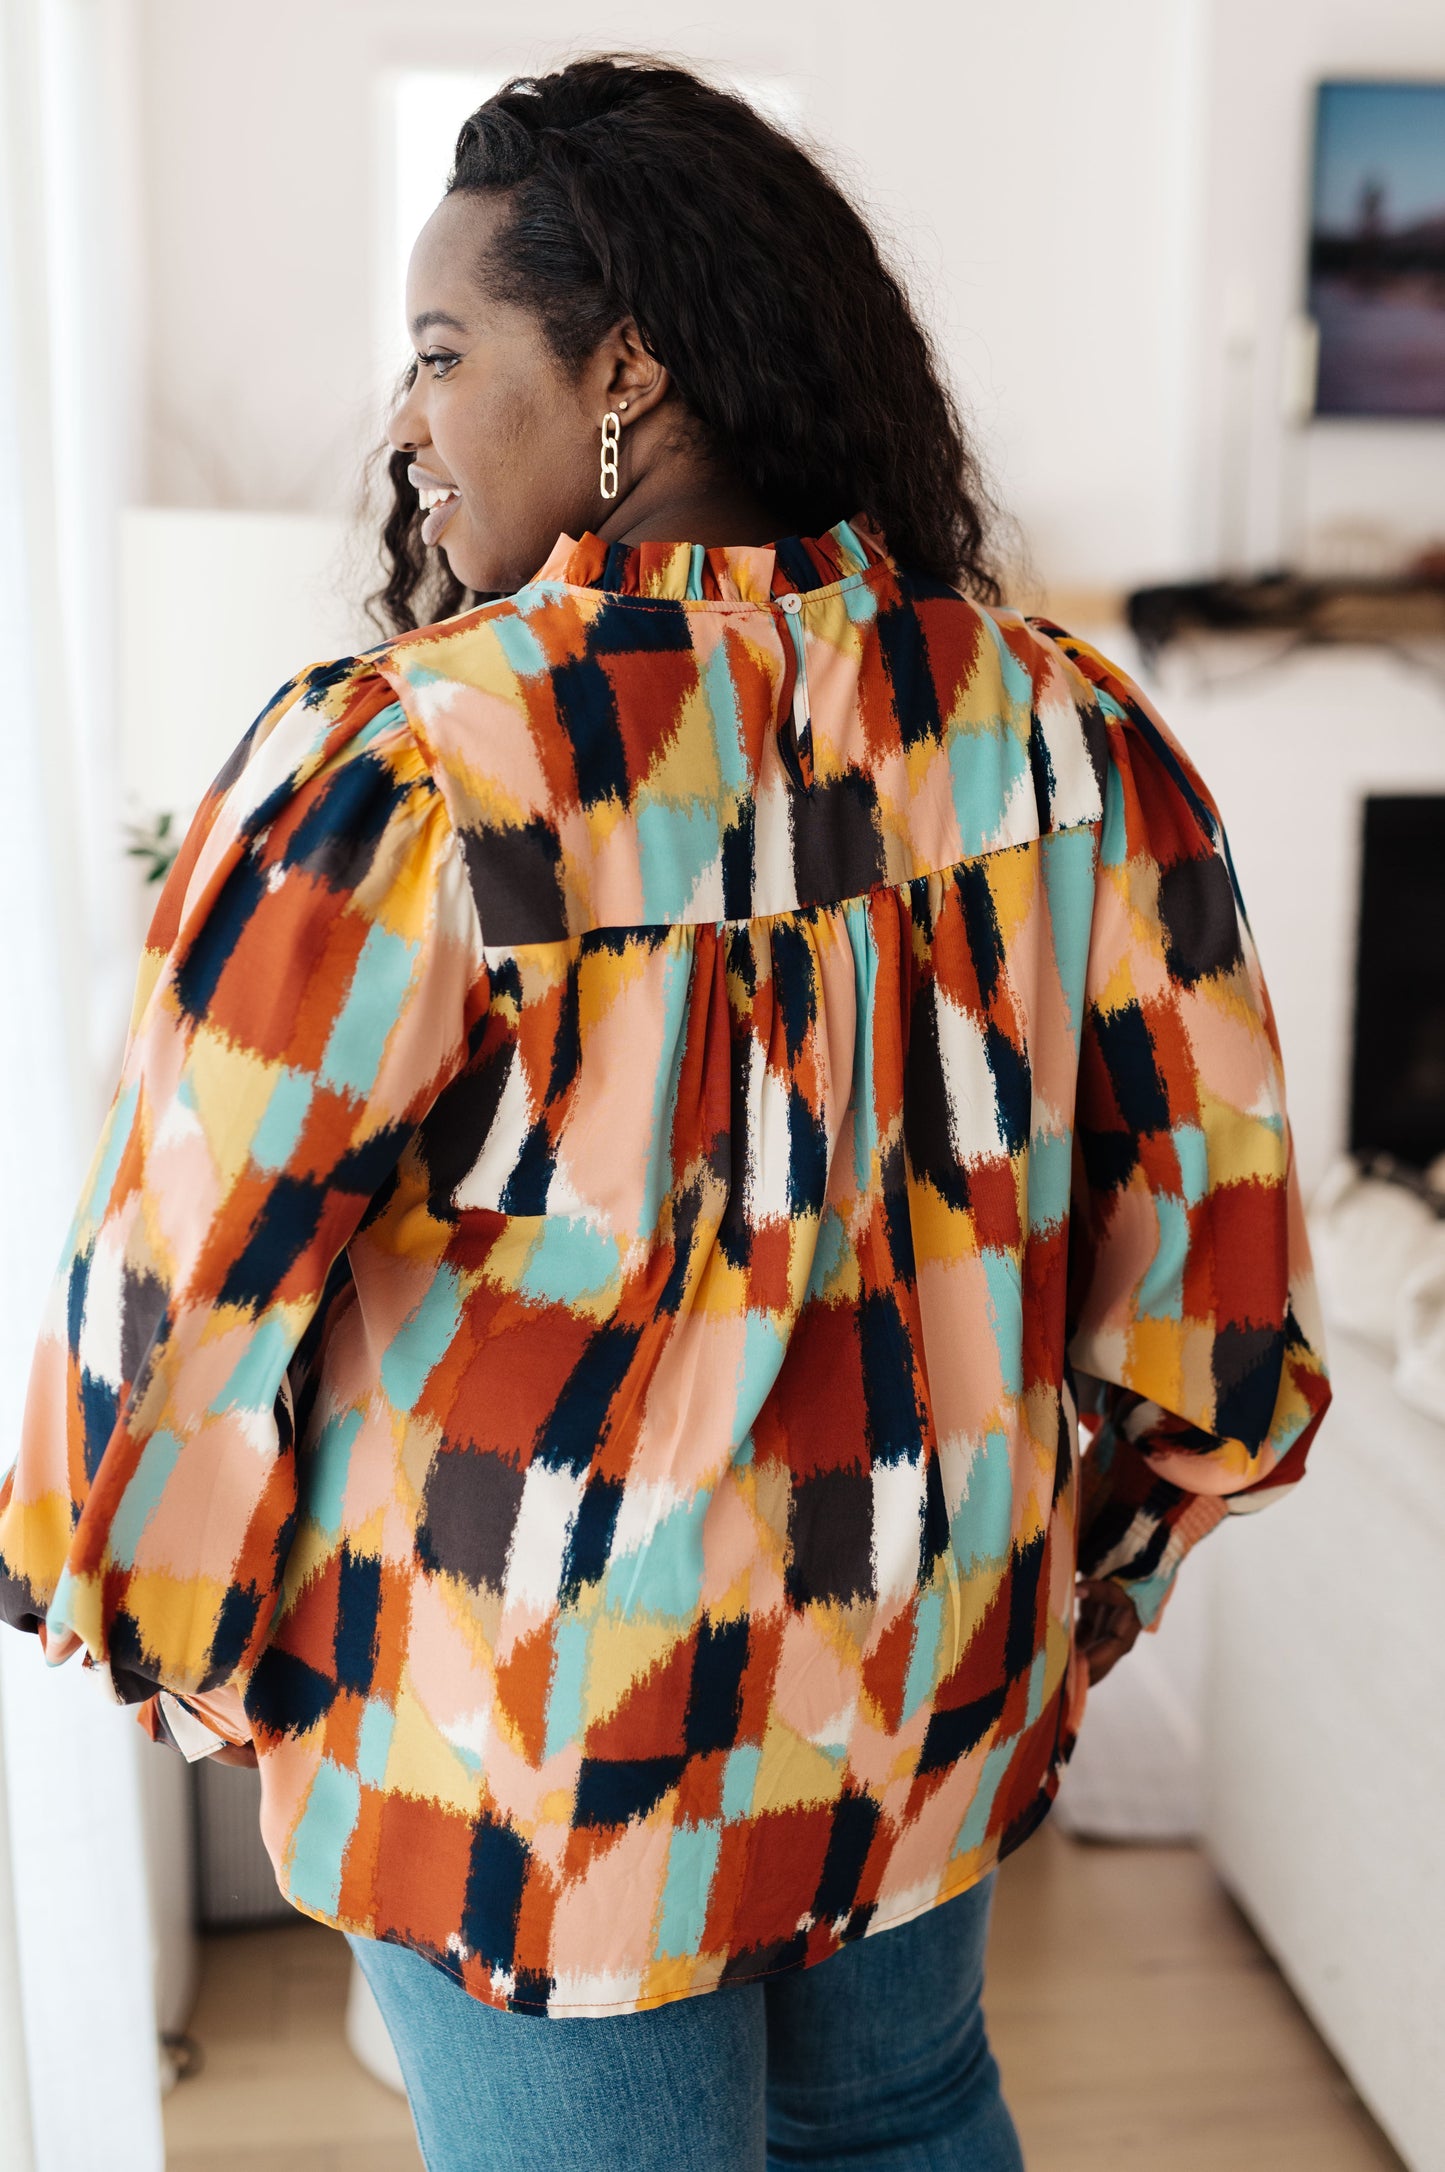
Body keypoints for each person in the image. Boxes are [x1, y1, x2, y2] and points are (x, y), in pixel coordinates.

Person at [0, 53, 1331, 2172]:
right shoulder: (1063, 735)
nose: (409, 420)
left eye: (443, 352)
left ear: (624, 367)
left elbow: (176, 1296)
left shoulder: (410, 772)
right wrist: (1065, 1596)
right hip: (910, 1698)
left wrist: (181, 1645)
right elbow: (1221, 1292)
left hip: (529, 1761)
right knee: (909, 2121)